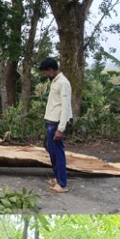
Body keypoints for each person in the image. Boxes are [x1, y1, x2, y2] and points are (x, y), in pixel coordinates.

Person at [40, 57, 72, 193]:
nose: (45, 75)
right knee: (52, 153)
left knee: (58, 154)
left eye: (46, 72)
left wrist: (61, 128)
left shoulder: (63, 83)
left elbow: (65, 107)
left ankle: (62, 184)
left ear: (51, 69)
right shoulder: (55, 81)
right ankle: (58, 178)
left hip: (57, 123)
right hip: (51, 121)